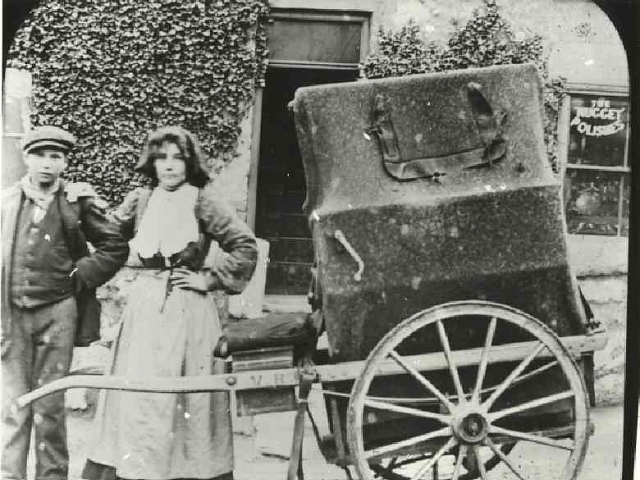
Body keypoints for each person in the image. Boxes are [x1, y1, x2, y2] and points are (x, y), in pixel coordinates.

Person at [82, 126, 258, 480]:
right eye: (162, 158)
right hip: (144, 310)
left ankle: (185, 471)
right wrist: (83, 202)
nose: (169, 165)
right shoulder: (141, 200)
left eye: (178, 158)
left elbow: (244, 245)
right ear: (152, 163)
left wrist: (209, 280)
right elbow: (107, 235)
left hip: (187, 311)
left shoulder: (203, 201)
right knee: (139, 394)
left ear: (190, 163)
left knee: (185, 394)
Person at [1, 125, 130, 480]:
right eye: (39, 155)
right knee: (12, 405)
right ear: (26, 158)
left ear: (65, 163)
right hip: (11, 315)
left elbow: (115, 246)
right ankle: (10, 475)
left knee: (50, 404)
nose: (46, 163)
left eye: (55, 156)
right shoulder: (7, 201)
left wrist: (82, 273)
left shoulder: (76, 202)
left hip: (58, 314)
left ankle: (53, 475)